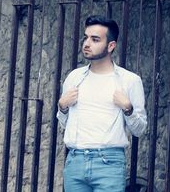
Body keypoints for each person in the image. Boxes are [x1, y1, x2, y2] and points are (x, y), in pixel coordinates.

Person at [57, 15, 147, 192]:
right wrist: (62, 107)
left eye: (95, 39)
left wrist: (128, 109)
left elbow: (140, 129)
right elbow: (63, 124)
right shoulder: (74, 77)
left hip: (109, 162)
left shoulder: (129, 81)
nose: (87, 43)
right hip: (75, 160)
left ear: (111, 45)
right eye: (86, 37)